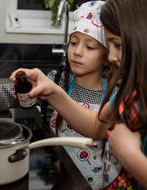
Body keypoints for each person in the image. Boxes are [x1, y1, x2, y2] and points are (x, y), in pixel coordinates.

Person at [8, 0, 147, 189]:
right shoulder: (128, 91)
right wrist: (53, 91)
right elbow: (96, 127)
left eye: (118, 45)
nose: (112, 56)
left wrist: (131, 156)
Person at [48, 1, 112, 189]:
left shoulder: (112, 94)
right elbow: (18, 94)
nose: (77, 51)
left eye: (90, 47)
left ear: (107, 54)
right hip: (63, 179)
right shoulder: (60, 80)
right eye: (73, 43)